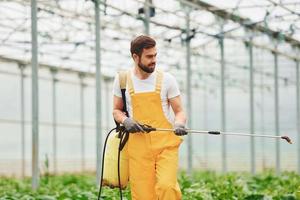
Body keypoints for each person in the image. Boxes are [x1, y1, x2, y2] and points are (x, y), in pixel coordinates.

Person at [112, 35, 187, 200]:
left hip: (165, 145)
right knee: (143, 195)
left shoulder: (167, 80)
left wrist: (179, 123)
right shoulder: (123, 80)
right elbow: (116, 110)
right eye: (149, 56)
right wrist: (126, 120)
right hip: (138, 148)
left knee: (167, 187)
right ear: (135, 57)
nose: (154, 60)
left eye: (155, 55)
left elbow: (179, 111)